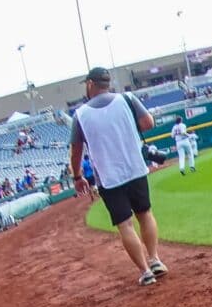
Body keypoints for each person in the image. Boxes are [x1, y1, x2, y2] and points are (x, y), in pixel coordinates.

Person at [68, 66, 168, 287]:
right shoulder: (127, 98)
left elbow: (75, 150)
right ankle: (154, 259)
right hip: (134, 167)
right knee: (145, 213)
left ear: (91, 84)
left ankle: (145, 271)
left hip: (108, 176)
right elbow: (148, 123)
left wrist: (77, 176)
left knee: (125, 225)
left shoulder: (81, 115)